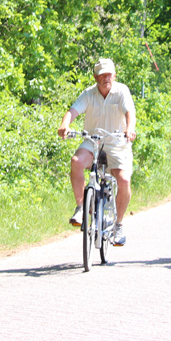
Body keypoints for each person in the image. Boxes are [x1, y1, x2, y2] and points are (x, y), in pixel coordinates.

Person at [57, 58, 137, 246]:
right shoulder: (89, 94)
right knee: (76, 161)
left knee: (124, 180)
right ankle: (81, 207)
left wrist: (130, 128)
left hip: (117, 142)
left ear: (114, 75)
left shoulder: (121, 91)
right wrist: (64, 125)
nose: (105, 78)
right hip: (93, 142)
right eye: (101, 75)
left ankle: (118, 224)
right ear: (95, 77)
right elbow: (72, 111)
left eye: (108, 74)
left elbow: (129, 113)